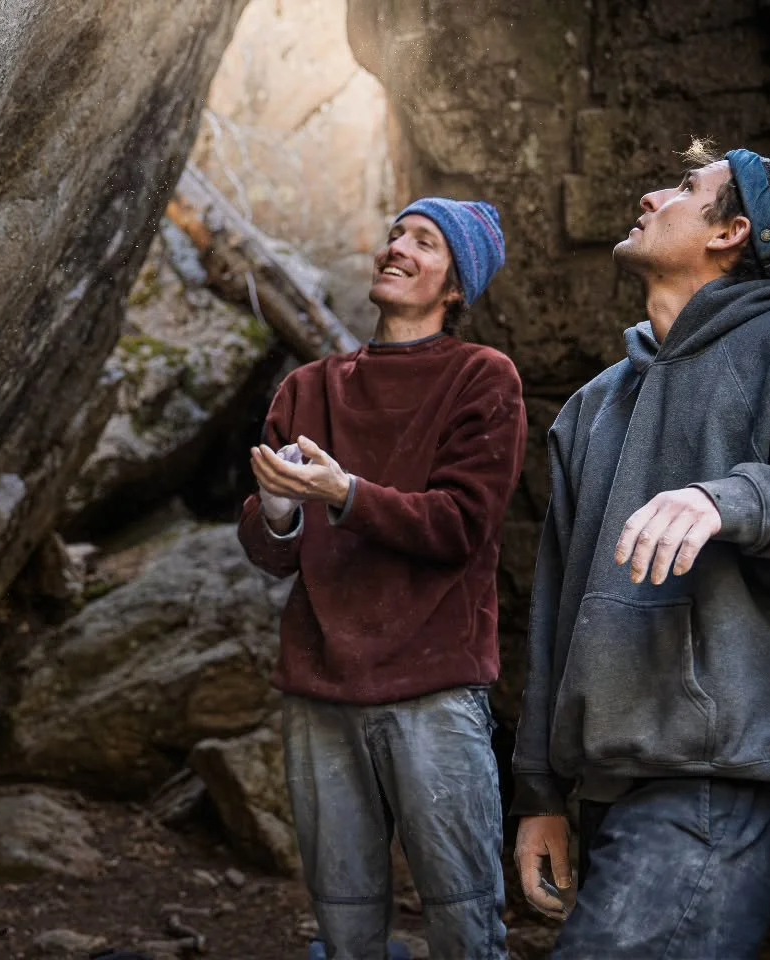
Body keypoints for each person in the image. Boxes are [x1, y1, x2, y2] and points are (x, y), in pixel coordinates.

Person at [511, 140, 770, 958]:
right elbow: (553, 611)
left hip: (728, 776)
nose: (650, 197)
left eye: (683, 187)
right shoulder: (591, 407)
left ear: (732, 231)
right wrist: (541, 792)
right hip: (611, 780)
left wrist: (733, 499)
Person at [236, 196, 526, 960]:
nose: (397, 248)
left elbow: (461, 524)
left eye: (424, 242)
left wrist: (344, 493)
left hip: (435, 692)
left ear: (456, 285)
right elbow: (273, 554)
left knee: (465, 927)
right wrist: (276, 511)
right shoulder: (308, 389)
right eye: (396, 234)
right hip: (319, 693)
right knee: (345, 933)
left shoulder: (482, 379)